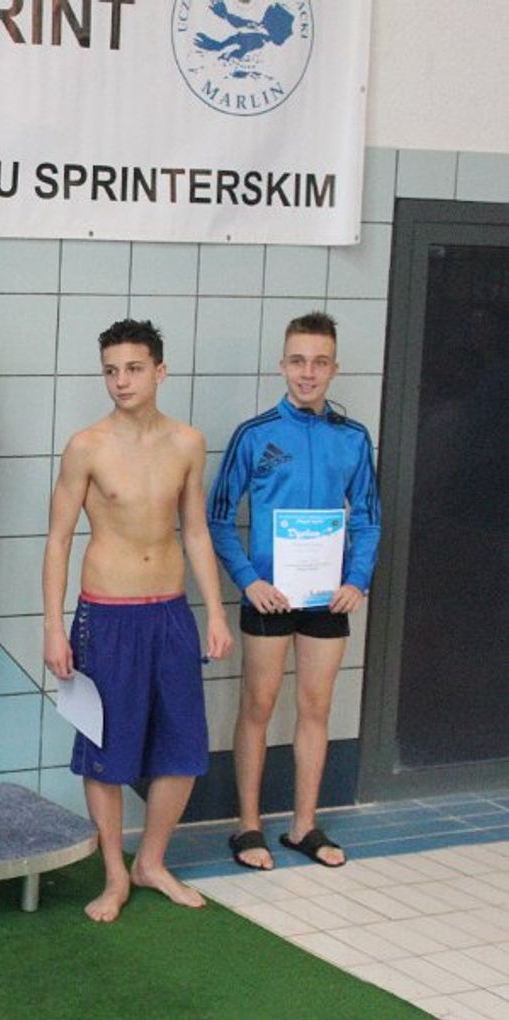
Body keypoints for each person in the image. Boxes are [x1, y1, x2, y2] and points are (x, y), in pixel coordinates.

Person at [42, 318, 232, 922]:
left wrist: (215, 612)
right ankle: (114, 873)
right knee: (105, 747)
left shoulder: (188, 443)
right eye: (110, 371)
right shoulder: (87, 446)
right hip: (107, 615)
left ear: (160, 371)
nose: (120, 381)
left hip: (170, 612)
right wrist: (53, 626)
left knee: (182, 747)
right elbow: (58, 539)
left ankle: (151, 861)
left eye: (133, 369)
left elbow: (195, 530)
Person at [209, 312, 379, 870]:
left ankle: (304, 825)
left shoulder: (352, 438)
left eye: (319, 362)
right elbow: (217, 517)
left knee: (315, 707)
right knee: (257, 706)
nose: (308, 373)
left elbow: (368, 518)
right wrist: (249, 580)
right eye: (299, 361)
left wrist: (356, 579)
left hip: (327, 598)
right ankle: (249, 826)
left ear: (334, 368)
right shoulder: (255, 435)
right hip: (270, 596)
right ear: (283, 365)